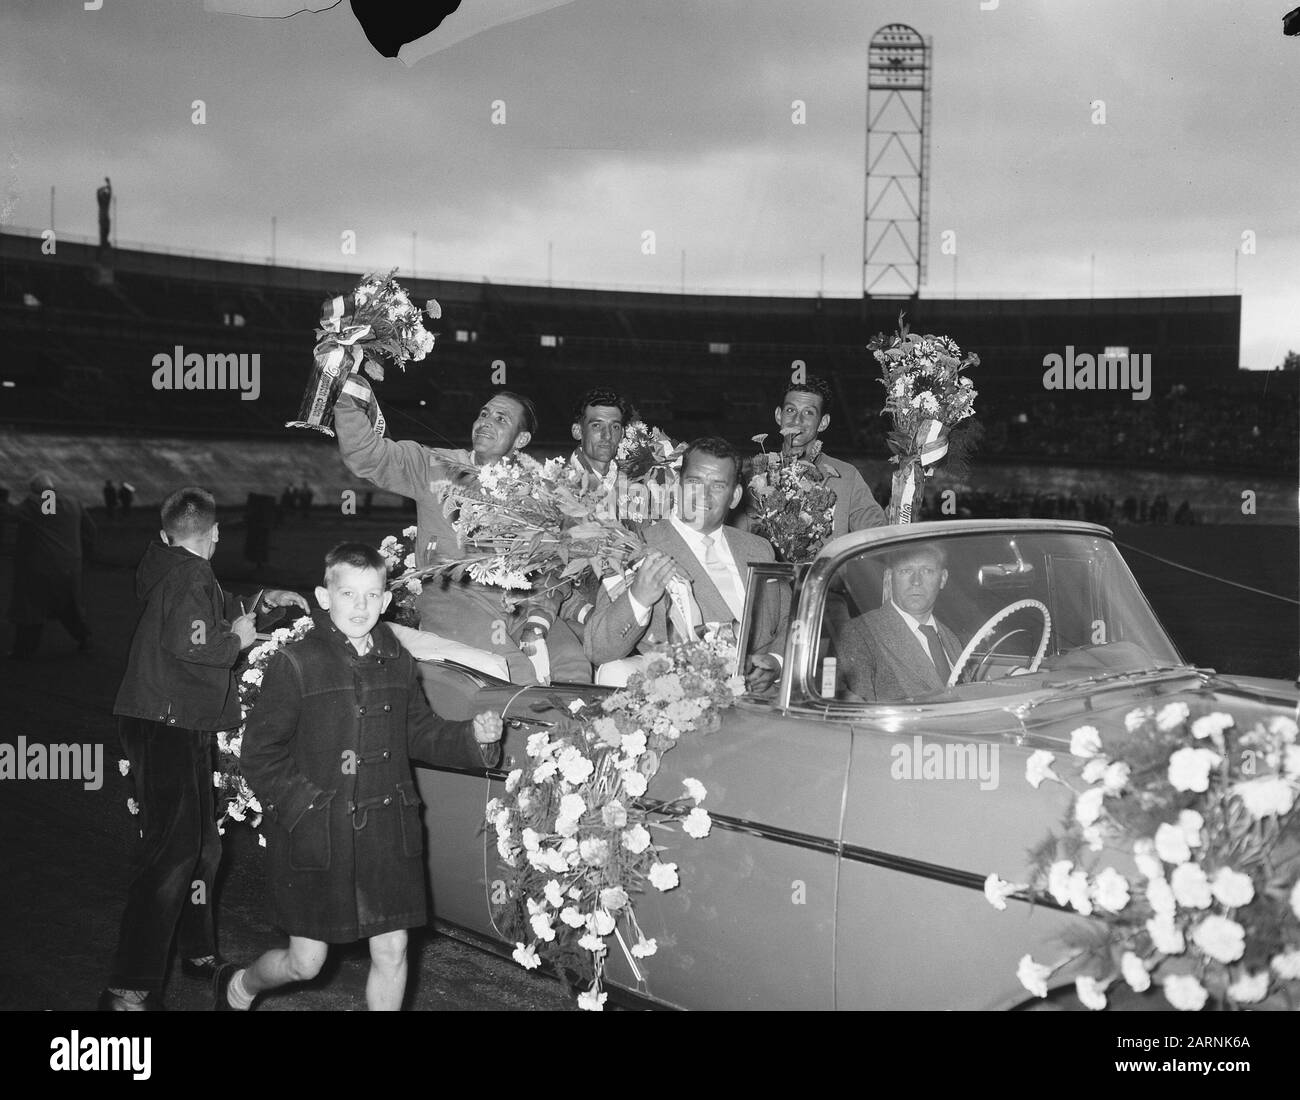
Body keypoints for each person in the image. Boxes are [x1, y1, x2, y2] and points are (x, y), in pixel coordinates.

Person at [219, 543, 504, 1011]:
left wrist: (474, 739)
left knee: (392, 951)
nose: (361, 606)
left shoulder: (397, 658)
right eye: (348, 594)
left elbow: (419, 732)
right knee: (306, 963)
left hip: (387, 832)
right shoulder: (296, 662)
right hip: (319, 833)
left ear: (386, 601)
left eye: (372, 595)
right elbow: (260, 752)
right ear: (323, 597)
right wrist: (306, 808)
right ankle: (242, 986)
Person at [101, 487, 307, 1010]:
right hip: (166, 723)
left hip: (172, 722)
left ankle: (196, 954)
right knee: (171, 855)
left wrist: (259, 604)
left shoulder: (175, 568)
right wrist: (239, 640)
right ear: (215, 533)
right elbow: (195, 642)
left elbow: (203, 616)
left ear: (169, 533)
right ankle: (128, 989)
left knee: (204, 848)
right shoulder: (190, 574)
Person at [334, 379, 589, 684]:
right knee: (517, 676)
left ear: (521, 440)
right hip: (453, 600)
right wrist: (347, 398)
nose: (485, 422)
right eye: (483, 414)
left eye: (500, 419)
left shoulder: (536, 488)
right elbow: (368, 455)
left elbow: (553, 563)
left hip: (518, 605)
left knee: (574, 667)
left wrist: (540, 617)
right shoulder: (433, 465)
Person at [583, 437, 788, 693]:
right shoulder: (637, 546)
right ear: (678, 488)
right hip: (690, 698)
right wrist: (638, 598)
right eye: (694, 482)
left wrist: (776, 662)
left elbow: (791, 619)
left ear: (735, 496)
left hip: (770, 700)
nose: (703, 495)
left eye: (717, 485)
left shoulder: (759, 548)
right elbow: (597, 649)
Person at [741, 376, 886, 536]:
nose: (797, 420)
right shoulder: (755, 474)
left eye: (808, 413)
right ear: (778, 415)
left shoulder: (845, 476)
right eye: (790, 410)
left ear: (823, 422)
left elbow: (876, 533)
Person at [836, 543, 963, 702]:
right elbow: (862, 716)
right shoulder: (860, 633)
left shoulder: (952, 640)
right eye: (906, 571)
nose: (916, 581)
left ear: (943, 578)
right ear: (889, 577)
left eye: (927, 571)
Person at [558, 388, 638, 641]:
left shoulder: (639, 484)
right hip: (580, 615)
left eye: (615, 427)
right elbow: (545, 575)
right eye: (596, 425)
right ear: (577, 431)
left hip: (636, 607)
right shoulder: (552, 486)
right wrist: (588, 615)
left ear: (623, 434)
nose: (606, 436)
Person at [6, 472, 95, 660]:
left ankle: (24, 650)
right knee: (69, 605)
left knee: (31, 607)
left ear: (36, 490)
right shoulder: (73, 502)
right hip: (71, 563)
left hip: (41, 564)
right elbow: (89, 530)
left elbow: (10, 515)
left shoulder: (40, 502)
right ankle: (84, 639)